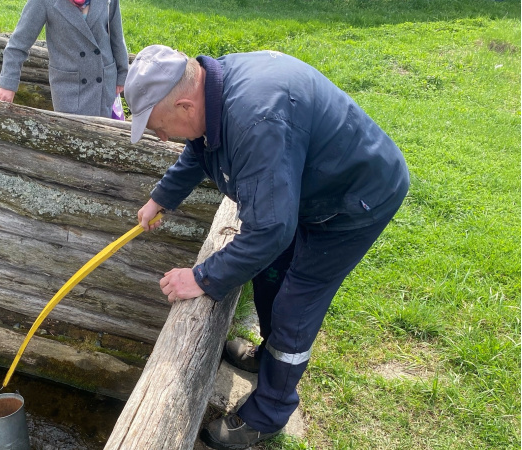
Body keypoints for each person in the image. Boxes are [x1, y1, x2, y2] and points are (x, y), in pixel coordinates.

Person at [125, 45, 409, 449]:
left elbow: (272, 230)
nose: (161, 136)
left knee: (298, 301)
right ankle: (267, 355)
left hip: (355, 199)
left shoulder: (256, 118)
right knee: (271, 275)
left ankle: (269, 412)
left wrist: (203, 277)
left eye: (159, 125)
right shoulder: (212, 93)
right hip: (309, 187)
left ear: (185, 105)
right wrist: (162, 197)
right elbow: (199, 150)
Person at [0, 0, 129, 118]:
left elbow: (117, 36)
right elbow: (18, 43)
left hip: (104, 82)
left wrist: (122, 72)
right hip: (69, 87)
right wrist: (8, 84)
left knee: (104, 137)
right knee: (71, 137)